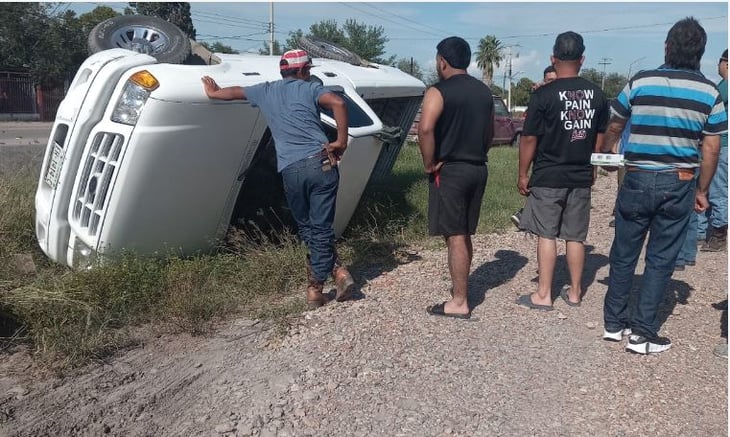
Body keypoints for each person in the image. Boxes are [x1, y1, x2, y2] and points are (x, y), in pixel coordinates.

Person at [601, 18, 727, 354]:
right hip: (680, 180)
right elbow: (712, 147)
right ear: (700, 53)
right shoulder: (710, 94)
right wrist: (702, 190)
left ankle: (614, 324)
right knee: (660, 258)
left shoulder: (640, 81)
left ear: (667, 48)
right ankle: (642, 333)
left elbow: (615, 123)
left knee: (624, 252)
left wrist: (608, 151)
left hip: (637, 176)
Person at [201, 49, 355, 308]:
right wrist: (340, 141)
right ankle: (325, 280)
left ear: (282, 71)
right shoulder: (310, 89)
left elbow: (235, 91)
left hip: (291, 170)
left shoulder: (266, 90)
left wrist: (213, 92)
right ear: (304, 71)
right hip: (321, 163)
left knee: (307, 226)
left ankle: (327, 280)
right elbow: (338, 103)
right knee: (320, 225)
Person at [515, 31, 608, 311]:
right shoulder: (597, 94)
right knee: (575, 236)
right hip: (580, 173)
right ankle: (576, 291)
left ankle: (543, 294)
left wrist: (523, 172)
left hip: (548, 174)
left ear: (553, 59)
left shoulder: (543, 95)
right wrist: (593, 164)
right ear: (582, 59)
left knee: (547, 234)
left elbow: (529, 137)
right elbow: (599, 133)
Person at [418, 36, 493, 319]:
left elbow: (425, 130)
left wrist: (429, 163)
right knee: (464, 231)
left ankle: (459, 301)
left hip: (450, 170)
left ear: (442, 61)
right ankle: (461, 289)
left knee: (455, 235)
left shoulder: (438, 91)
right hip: (478, 167)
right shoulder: (484, 92)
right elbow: (488, 134)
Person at [511, 65, 558, 227]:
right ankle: (529, 214)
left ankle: (527, 215)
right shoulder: (539, 98)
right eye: (548, 80)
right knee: (539, 187)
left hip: (558, 154)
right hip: (541, 153)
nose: (551, 84)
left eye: (555, 80)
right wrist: (523, 173)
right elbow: (529, 134)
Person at [700, 48, 728, 253]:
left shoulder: (725, 87)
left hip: (723, 144)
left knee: (718, 190)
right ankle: (705, 232)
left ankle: (719, 233)